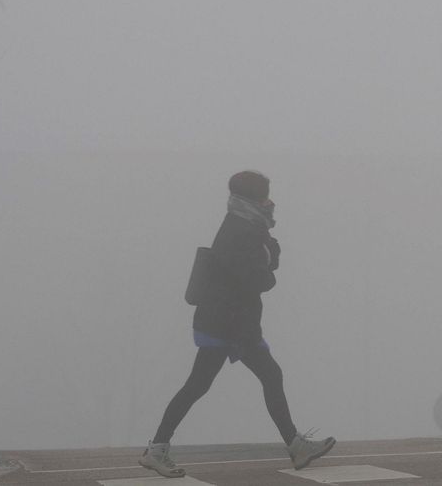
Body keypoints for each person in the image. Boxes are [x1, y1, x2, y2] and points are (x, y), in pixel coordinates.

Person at [140, 170, 336, 478]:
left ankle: (158, 449)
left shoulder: (246, 225)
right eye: (265, 196)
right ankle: (157, 449)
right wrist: (269, 260)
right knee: (246, 378)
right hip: (228, 324)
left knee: (209, 383)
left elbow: (267, 258)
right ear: (255, 199)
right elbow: (259, 277)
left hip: (229, 321)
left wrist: (268, 254)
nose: (270, 201)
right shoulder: (240, 230)